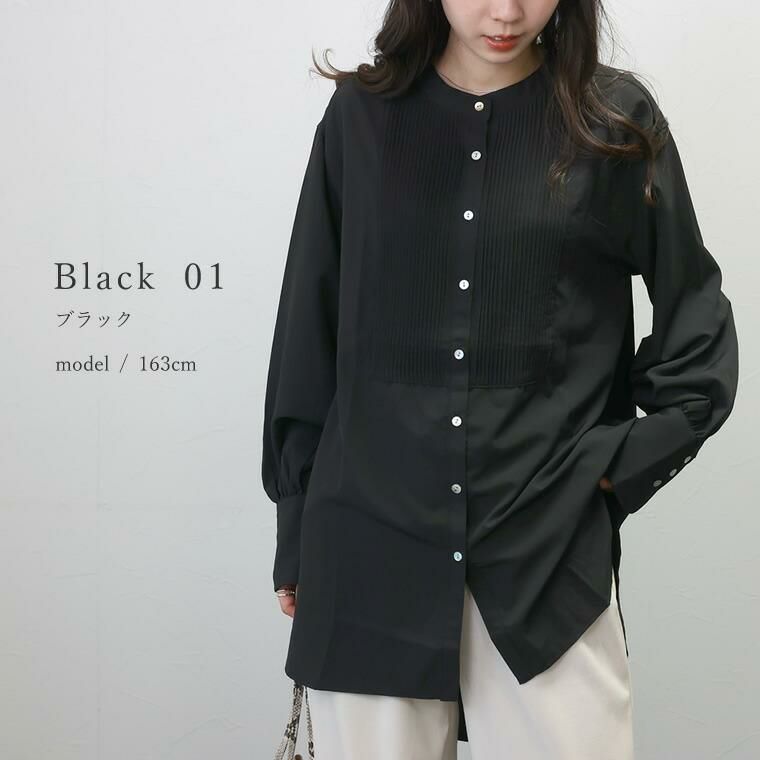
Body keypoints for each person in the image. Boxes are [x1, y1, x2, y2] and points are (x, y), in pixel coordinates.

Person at [262, 1, 739, 758]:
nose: (508, 11)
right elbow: (307, 331)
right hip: (368, 547)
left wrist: (607, 473)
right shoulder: (359, 119)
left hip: (546, 561)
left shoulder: (614, 122)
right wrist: (296, 524)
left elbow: (695, 320)